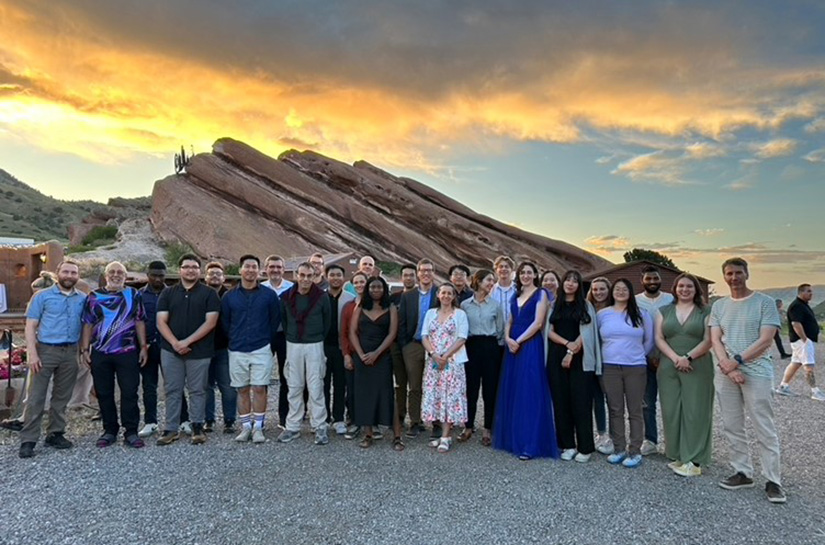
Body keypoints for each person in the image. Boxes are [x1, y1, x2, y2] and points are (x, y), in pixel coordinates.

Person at [710, 257, 784, 503]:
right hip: (726, 372)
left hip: (757, 372)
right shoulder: (719, 306)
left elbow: (765, 339)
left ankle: (773, 480)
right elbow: (716, 340)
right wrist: (728, 367)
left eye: (738, 273)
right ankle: (742, 471)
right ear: (724, 276)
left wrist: (737, 361)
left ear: (747, 274)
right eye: (729, 273)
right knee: (732, 424)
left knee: (764, 425)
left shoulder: (764, 303)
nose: (734, 277)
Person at [18, 259, 86, 459]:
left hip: (70, 351)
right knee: (36, 396)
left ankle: (55, 433)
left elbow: (86, 326)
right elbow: (30, 326)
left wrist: (83, 350)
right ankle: (28, 439)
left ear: (77, 276)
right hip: (46, 350)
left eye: (74, 273)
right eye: (66, 272)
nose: (70, 276)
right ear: (58, 274)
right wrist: (32, 353)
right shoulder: (42, 296)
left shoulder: (82, 298)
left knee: (62, 396)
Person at [493, 262, 557, 460]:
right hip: (513, 345)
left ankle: (531, 443)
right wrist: (508, 339)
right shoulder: (516, 295)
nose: (526, 276)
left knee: (530, 391)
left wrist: (518, 341)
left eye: (529, 272)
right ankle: (514, 439)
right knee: (514, 390)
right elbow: (509, 321)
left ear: (535, 275)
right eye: (522, 273)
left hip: (529, 345)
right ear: (518, 275)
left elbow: (538, 323)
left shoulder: (541, 294)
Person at [80, 261, 148, 449]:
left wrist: (143, 347)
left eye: (120, 272)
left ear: (125, 277)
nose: (116, 275)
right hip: (101, 352)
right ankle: (109, 430)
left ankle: (131, 431)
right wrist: (85, 350)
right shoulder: (94, 296)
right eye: (112, 272)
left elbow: (140, 320)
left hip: (127, 351)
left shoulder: (134, 294)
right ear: (105, 275)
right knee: (104, 392)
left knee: (129, 392)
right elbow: (87, 323)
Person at [155, 254, 221, 446]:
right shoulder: (167, 294)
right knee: (172, 389)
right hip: (170, 350)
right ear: (180, 270)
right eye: (186, 267)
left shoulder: (209, 294)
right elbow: (161, 321)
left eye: (194, 267)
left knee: (198, 390)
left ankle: (197, 427)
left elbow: (211, 322)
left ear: (199, 271)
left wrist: (187, 342)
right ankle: (171, 429)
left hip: (199, 351)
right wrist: (175, 343)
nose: (190, 270)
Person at [653, 273, 713, 477]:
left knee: (695, 411)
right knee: (672, 411)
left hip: (697, 365)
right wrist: (676, 358)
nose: (685, 290)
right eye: (681, 286)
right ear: (675, 289)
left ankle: (694, 460)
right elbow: (659, 338)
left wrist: (688, 357)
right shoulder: (664, 310)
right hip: (669, 365)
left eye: (689, 286)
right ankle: (678, 454)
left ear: (696, 289)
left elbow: (708, 340)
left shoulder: (705, 311)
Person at [221, 255, 281, 443]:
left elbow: (274, 320)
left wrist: (265, 339)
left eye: (254, 267)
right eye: (247, 267)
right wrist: (234, 339)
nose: (250, 270)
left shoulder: (269, 295)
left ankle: (258, 427)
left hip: (261, 347)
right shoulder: (229, 296)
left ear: (259, 270)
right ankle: (246, 426)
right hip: (237, 348)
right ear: (240, 270)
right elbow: (225, 322)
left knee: (259, 387)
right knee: (242, 389)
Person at [598, 278, 654, 468]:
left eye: (625, 289)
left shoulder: (641, 314)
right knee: (615, 409)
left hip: (635, 367)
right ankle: (619, 448)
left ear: (630, 292)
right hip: (610, 367)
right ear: (612, 291)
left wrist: (637, 356)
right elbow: (597, 339)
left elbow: (649, 340)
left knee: (635, 410)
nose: (621, 292)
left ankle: (635, 450)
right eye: (617, 288)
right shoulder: (603, 314)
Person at [547, 270, 602, 463]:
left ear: (579, 286)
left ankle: (585, 447)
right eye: (567, 280)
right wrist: (566, 344)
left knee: (581, 402)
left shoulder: (586, 305)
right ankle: (567, 445)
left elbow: (587, 332)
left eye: (575, 281)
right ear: (562, 283)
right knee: (561, 403)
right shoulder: (554, 305)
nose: (570, 284)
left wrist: (571, 351)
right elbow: (549, 331)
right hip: (556, 357)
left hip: (580, 357)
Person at [278, 262, 332, 445]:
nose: (306, 279)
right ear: (296, 275)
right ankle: (292, 426)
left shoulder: (322, 297)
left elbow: (327, 322)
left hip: (315, 344)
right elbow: (284, 322)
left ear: (314, 276)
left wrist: (315, 337)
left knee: (316, 386)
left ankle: (319, 425)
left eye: (309, 276)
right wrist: (293, 337)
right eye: (302, 275)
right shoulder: (286, 297)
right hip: (293, 345)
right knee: (294, 386)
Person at [348, 276, 402, 449]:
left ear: (384, 289)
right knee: (364, 395)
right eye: (372, 287)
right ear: (368, 289)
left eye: (379, 287)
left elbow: (392, 333)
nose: (376, 290)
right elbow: (352, 332)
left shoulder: (391, 307)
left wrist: (377, 353)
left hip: (382, 356)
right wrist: (361, 354)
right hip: (362, 356)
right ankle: (368, 434)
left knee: (387, 394)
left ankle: (397, 436)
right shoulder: (361, 306)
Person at [421, 283, 469, 452]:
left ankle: (445, 436)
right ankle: (444, 434)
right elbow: (424, 336)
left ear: (454, 296)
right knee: (437, 396)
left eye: (450, 293)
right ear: (438, 295)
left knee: (450, 397)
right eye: (443, 293)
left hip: (452, 362)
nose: (446, 296)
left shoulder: (460, 314)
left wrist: (445, 356)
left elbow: (462, 337)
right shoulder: (430, 313)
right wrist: (434, 354)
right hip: (434, 362)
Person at [460, 269, 504, 446]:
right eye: (488, 280)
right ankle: (468, 426)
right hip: (471, 346)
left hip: (490, 347)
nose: (491, 283)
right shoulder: (464, 305)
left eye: (493, 281)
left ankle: (487, 429)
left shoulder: (495, 305)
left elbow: (500, 330)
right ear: (477, 281)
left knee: (490, 390)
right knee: (470, 389)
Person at [635, 265, 674, 456]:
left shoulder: (671, 299)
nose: (652, 282)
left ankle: (673, 442)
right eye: (648, 279)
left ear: (660, 279)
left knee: (671, 402)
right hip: (643, 358)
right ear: (641, 280)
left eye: (655, 278)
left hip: (668, 357)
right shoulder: (635, 301)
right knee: (647, 403)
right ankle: (650, 440)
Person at [398, 258, 438, 438]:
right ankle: (415, 422)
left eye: (429, 270)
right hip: (413, 345)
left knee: (436, 385)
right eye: (422, 270)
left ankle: (436, 422)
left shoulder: (440, 293)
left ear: (433, 273)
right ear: (418, 273)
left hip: (436, 348)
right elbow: (402, 322)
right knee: (414, 386)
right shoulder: (408, 296)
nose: (426, 273)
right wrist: (405, 343)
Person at [203, 261, 237, 433]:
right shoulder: (200, 294)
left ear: (223, 277)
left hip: (224, 348)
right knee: (206, 387)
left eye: (218, 273)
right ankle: (208, 420)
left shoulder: (229, 296)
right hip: (203, 348)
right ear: (205, 276)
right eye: (211, 273)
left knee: (228, 386)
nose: (215, 276)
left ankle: (229, 420)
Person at [261, 254, 294, 428]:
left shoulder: (291, 288)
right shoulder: (260, 288)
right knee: (262, 377)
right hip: (265, 337)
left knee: (286, 377)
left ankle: (284, 416)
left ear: (283, 269)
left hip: (285, 336)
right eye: (271, 267)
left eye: (278, 267)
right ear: (266, 269)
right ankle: (260, 418)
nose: (275, 270)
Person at [775, 284, 824, 400]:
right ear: (801, 292)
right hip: (801, 341)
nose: (811, 294)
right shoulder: (796, 306)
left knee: (795, 363)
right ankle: (815, 391)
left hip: (801, 341)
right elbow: (795, 323)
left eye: (811, 291)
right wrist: (805, 339)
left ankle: (783, 386)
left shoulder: (803, 305)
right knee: (809, 365)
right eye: (808, 291)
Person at [137, 261, 168, 438]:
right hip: (146, 347)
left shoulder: (172, 293)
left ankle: (181, 420)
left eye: (161, 275)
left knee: (174, 385)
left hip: (168, 346)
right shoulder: (139, 295)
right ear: (147, 275)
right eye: (153, 275)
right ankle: (150, 422)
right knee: (149, 386)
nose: (157, 278)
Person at [324, 264, 355, 434]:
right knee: (323, 383)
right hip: (323, 347)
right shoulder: (320, 297)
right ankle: (324, 418)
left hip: (342, 348)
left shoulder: (350, 299)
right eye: (332, 275)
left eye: (338, 275)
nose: (335, 278)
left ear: (343, 278)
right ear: (326, 276)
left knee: (340, 383)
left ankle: (339, 418)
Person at [340, 272, 369, 439]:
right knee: (352, 389)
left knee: (369, 389)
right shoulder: (349, 307)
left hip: (371, 354)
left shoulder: (376, 305)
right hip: (352, 353)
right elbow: (343, 332)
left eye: (362, 282)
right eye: (356, 282)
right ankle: (354, 421)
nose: (359, 285)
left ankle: (369, 422)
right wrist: (346, 354)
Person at [586, 276, 612, 454]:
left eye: (602, 289)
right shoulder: (588, 308)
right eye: (595, 289)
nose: (598, 292)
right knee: (596, 398)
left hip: (610, 358)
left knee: (612, 398)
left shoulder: (614, 309)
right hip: (591, 358)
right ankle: (601, 433)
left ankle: (615, 435)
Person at [390, 263, 417, 427]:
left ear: (416, 277)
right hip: (395, 344)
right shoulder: (394, 297)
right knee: (399, 384)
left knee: (415, 384)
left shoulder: (420, 297)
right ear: (401, 278)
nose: (408, 278)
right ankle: (400, 416)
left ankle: (415, 419)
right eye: (405, 275)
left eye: (411, 275)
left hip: (413, 344)